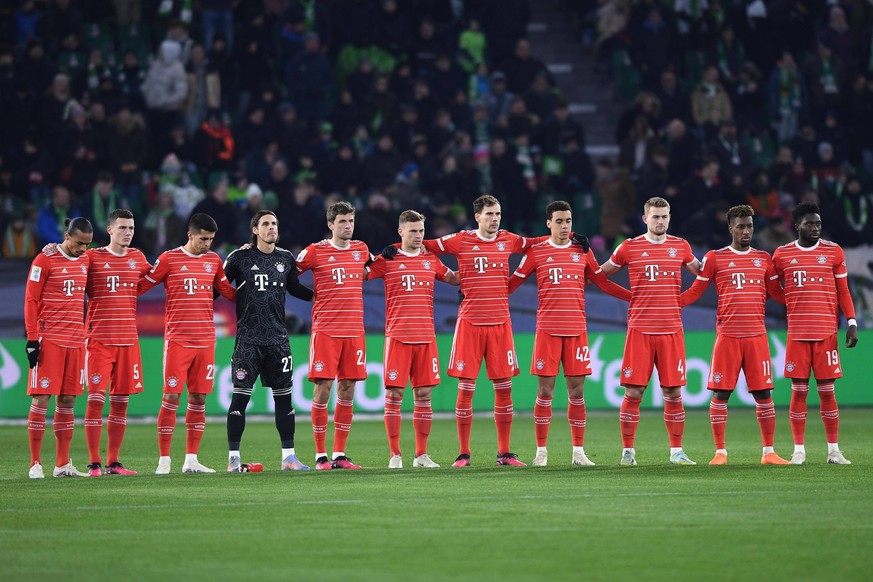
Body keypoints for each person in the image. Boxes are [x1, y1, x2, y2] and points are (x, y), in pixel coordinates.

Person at [418, 194, 571, 467]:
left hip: (500, 324)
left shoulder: (508, 239)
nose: (494, 219)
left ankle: (504, 453)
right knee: (466, 390)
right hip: (469, 325)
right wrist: (445, 273)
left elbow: (535, 243)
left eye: (498, 214)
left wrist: (571, 239)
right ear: (477, 216)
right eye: (489, 214)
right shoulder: (460, 240)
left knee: (504, 390)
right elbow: (422, 245)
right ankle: (463, 453)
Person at [508, 201, 631, 466]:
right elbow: (512, 283)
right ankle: (541, 452)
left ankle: (578, 452)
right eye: (560, 221)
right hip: (548, 331)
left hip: (576, 331)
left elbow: (602, 282)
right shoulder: (536, 252)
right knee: (545, 392)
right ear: (548, 224)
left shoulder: (582, 251)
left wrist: (634, 297)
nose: (565, 226)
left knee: (577, 393)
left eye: (569, 221)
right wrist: (478, 291)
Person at [679, 205, 791, 465]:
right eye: (740, 226)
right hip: (727, 337)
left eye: (749, 226)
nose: (746, 231)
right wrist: (673, 302)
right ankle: (720, 452)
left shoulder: (764, 258)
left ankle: (769, 452)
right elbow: (696, 291)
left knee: (764, 394)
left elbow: (777, 293)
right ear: (730, 227)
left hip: (756, 337)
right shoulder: (715, 258)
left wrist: (804, 297)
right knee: (721, 394)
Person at [600, 196, 701, 466]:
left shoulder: (680, 246)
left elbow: (704, 275)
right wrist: (628, 296)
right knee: (634, 393)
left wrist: (684, 299)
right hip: (640, 331)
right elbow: (600, 275)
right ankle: (628, 452)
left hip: (671, 331)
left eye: (665, 216)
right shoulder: (629, 247)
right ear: (645, 219)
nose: (660, 221)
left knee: (673, 393)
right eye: (655, 216)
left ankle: (676, 452)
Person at [139, 213, 236, 474]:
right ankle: (164, 461)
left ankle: (191, 460)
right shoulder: (169, 259)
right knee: (171, 396)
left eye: (211, 239)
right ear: (190, 235)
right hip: (178, 340)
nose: (208, 244)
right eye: (203, 239)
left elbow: (228, 293)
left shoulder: (214, 261)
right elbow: (140, 287)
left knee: (199, 398)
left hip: (206, 340)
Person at [222, 210, 314, 472]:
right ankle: (234, 459)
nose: (272, 228)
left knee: (284, 400)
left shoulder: (285, 258)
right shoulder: (239, 257)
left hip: (278, 340)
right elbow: (219, 286)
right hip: (248, 340)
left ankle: (289, 457)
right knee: (240, 399)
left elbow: (295, 288)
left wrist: (320, 297)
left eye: (274, 223)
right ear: (255, 229)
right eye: (266, 224)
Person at [367, 210, 460, 468]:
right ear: (401, 232)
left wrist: (480, 270)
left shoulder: (430, 260)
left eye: (421, 231)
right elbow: (361, 273)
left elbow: (452, 277)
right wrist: (371, 257)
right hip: (397, 336)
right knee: (396, 395)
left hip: (426, 337)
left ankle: (421, 455)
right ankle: (395, 454)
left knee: (424, 395)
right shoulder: (388, 259)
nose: (418, 236)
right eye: (413, 231)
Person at [772, 202, 858, 464]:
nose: (815, 228)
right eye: (810, 223)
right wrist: (790, 301)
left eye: (818, 223)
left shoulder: (833, 252)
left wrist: (852, 321)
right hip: (797, 334)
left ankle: (834, 450)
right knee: (798, 392)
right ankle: (799, 450)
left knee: (827, 392)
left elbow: (843, 290)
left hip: (826, 334)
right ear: (797, 225)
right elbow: (771, 286)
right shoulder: (782, 254)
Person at [296, 201, 373, 470]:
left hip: (354, 332)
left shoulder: (361, 250)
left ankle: (340, 454)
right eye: (342, 221)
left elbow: (375, 267)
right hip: (326, 330)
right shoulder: (315, 251)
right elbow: (287, 274)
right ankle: (320, 456)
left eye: (351, 221)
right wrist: (309, 296)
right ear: (330, 224)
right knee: (322, 389)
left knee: (348, 389)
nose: (348, 226)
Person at [82, 209, 151, 476]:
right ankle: (93, 462)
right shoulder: (92, 257)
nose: (128, 233)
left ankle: (113, 462)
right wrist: (53, 249)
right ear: (109, 230)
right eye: (122, 228)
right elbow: (70, 265)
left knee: (121, 402)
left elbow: (157, 275)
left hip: (128, 341)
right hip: (99, 340)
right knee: (96, 400)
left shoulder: (137, 258)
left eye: (131, 228)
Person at [24, 217, 93, 478]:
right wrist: (32, 339)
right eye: (78, 243)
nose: (83, 249)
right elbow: (30, 299)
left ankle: (62, 464)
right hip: (49, 338)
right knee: (42, 398)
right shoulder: (44, 259)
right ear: (66, 236)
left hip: (76, 342)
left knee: (67, 401)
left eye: (87, 244)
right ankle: (34, 463)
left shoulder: (87, 260)